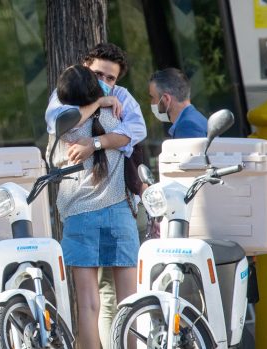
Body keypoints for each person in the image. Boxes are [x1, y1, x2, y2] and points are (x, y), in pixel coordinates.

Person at [45, 42, 146, 348]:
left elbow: (59, 124)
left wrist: (94, 143)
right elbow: (133, 133)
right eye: (99, 74)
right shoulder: (114, 107)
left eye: (111, 79)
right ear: (86, 64)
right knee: (129, 303)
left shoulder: (68, 103)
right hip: (115, 209)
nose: (106, 82)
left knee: (89, 305)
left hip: (81, 212)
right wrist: (102, 101)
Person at [148, 67, 207, 138]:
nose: (152, 103)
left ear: (166, 99)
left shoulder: (187, 127)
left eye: (153, 97)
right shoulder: (195, 119)